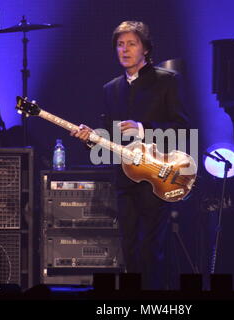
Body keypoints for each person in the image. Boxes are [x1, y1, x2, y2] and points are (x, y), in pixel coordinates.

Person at [72, 21, 189, 290]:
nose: (124, 50)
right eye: (120, 44)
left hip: (158, 178)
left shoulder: (167, 81)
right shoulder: (111, 89)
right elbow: (109, 141)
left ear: (145, 49)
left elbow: (183, 129)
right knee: (129, 246)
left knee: (151, 247)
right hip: (125, 179)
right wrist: (91, 138)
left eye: (131, 43)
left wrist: (143, 129)